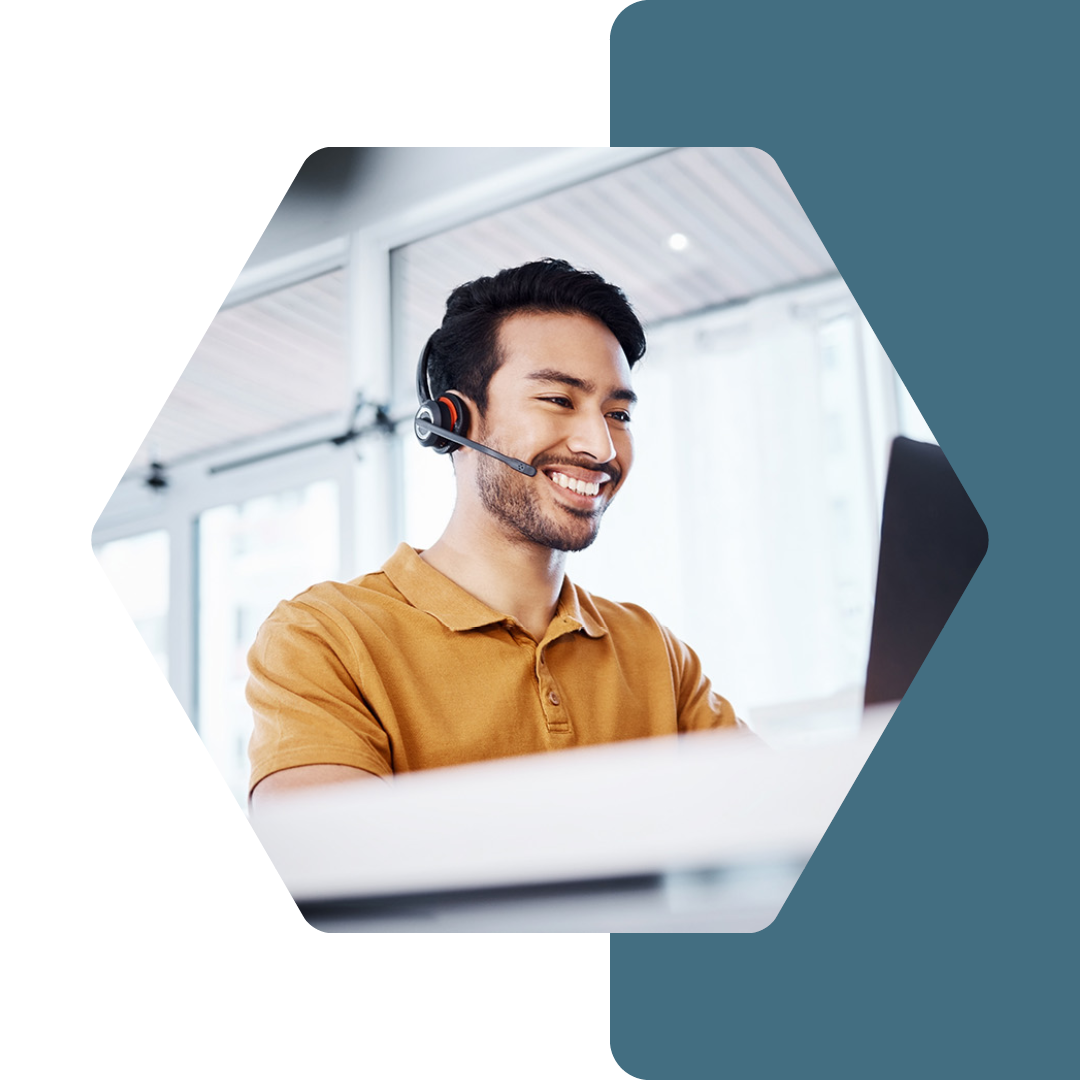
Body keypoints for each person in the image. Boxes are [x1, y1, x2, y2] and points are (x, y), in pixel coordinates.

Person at [247, 259, 743, 808]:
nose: (601, 448)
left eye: (618, 414)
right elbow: (320, 861)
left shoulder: (655, 652)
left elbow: (776, 817)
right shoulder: (326, 636)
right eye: (559, 400)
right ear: (453, 421)